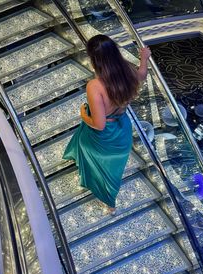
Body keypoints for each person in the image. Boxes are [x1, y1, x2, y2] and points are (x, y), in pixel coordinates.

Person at [63, 34, 151, 215]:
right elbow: (142, 75)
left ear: (93, 58)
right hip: (122, 132)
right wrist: (144, 58)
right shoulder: (126, 69)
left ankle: (107, 199)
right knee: (111, 172)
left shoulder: (95, 86)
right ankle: (109, 200)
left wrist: (83, 114)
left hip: (105, 136)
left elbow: (99, 124)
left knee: (84, 141)